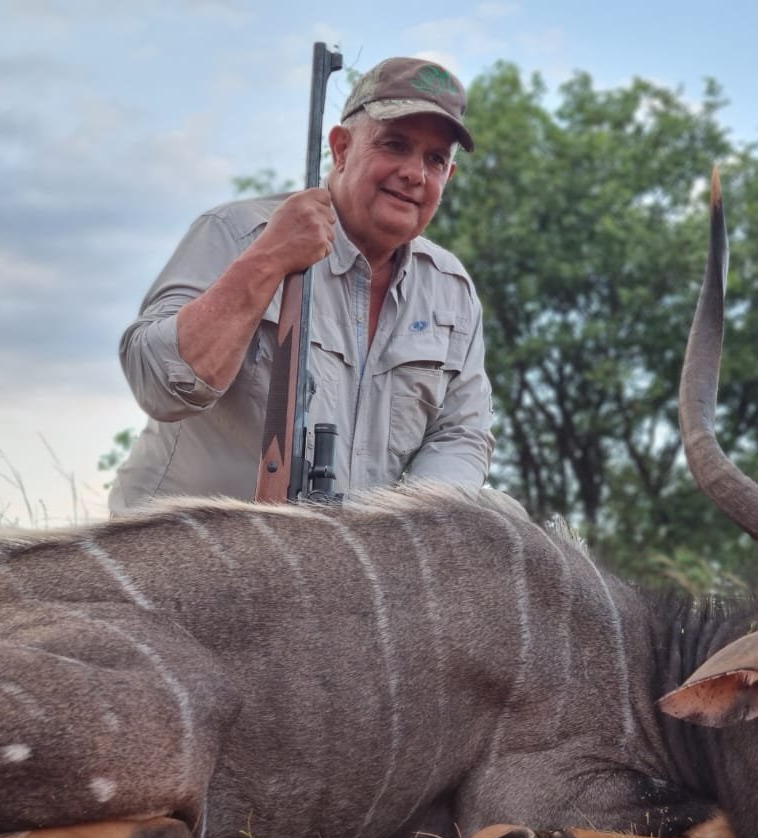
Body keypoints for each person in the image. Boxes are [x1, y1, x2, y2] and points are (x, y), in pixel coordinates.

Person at [109, 57, 494, 513]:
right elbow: (155, 380)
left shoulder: (450, 289)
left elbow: (461, 434)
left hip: (335, 566)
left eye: (435, 159)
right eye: (394, 145)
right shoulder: (235, 232)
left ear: (446, 178)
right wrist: (268, 260)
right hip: (184, 559)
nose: (415, 173)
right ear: (341, 148)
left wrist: (412, 537)